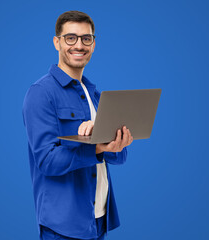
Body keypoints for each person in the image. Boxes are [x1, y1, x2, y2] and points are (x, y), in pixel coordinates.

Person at [22, 10, 133, 240]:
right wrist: (96, 148)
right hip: (63, 226)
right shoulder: (41, 93)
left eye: (86, 38)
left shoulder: (96, 96)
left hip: (98, 221)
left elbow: (119, 157)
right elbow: (46, 161)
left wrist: (117, 143)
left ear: (93, 44)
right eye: (70, 38)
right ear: (57, 42)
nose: (79, 45)